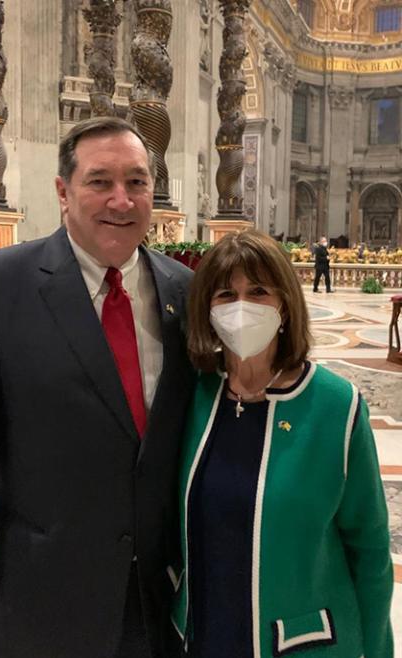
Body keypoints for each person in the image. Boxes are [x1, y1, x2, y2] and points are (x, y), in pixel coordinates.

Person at [0, 117, 195, 658]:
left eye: (137, 182)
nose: (121, 200)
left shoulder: (183, 291)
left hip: (161, 607)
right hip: (40, 606)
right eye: (100, 181)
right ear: (63, 192)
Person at [171, 230, 393, 658]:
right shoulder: (195, 397)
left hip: (300, 643)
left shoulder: (335, 406)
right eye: (225, 294)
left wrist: (380, 650)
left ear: (285, 305)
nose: (242, 308)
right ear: (207, 308)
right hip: (203, 635)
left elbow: (370, 550)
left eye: (258, 292)